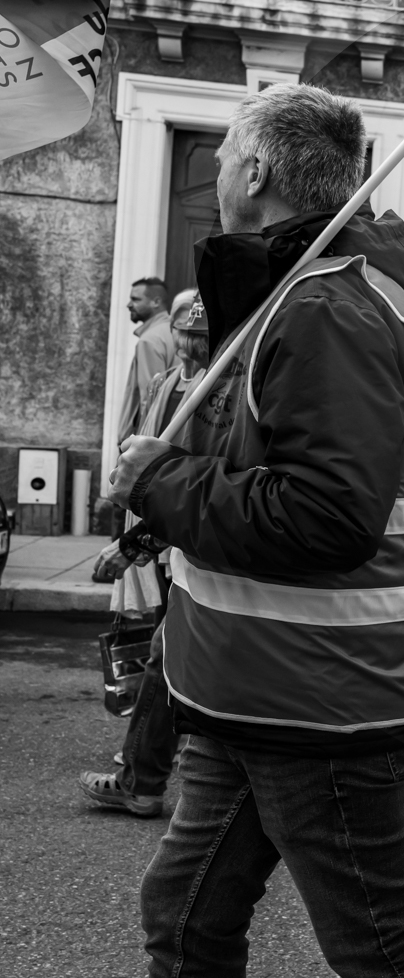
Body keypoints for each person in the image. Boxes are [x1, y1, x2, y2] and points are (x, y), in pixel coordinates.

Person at [106, 83, 404, 977]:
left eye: (226, 153)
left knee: (383, 950)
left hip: (320, 698)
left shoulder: (328, 305)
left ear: (257, 169)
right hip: (257, 690)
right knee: (184, 919)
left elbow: (323, 515)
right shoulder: (307, 292)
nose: (220, 167)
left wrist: (157, 479)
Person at [80, 291, 210, 818]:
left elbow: (192, 482)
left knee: (167, 656)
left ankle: (145, 778)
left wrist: (132, 545)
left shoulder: (218, 391)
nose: (187, 345)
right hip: (178, 544)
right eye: (185, 333)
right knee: (164, 654)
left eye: (195, 336)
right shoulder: (177, 383)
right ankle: (147, 776)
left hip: (197, 546)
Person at [115, 276, 176, 452]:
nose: (128, 305)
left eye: (135, 299)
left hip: (147, 441)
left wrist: (138, 445)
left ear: (156, 302)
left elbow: (149, 400)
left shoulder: (150, 340)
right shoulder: (174, 332)